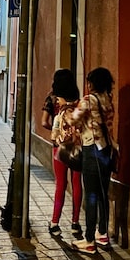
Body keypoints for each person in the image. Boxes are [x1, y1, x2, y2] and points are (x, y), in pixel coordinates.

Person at [73, 67, 118, 255]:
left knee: (91, 195)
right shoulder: (109, 101)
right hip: (106, 150)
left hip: (92, 149)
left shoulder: (88, 100)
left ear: (92, 83)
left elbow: (74, 120)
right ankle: (102, 234)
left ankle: (89, 240)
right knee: (102, 193)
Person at [42, 68, 83, 238]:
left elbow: (44, 122)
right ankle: (75, 223)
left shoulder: (52, 98)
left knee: (60, 183)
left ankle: (55, 223)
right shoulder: (78, 99)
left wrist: (56, 131)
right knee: (77, 182)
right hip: (76, 145)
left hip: (59, 147)